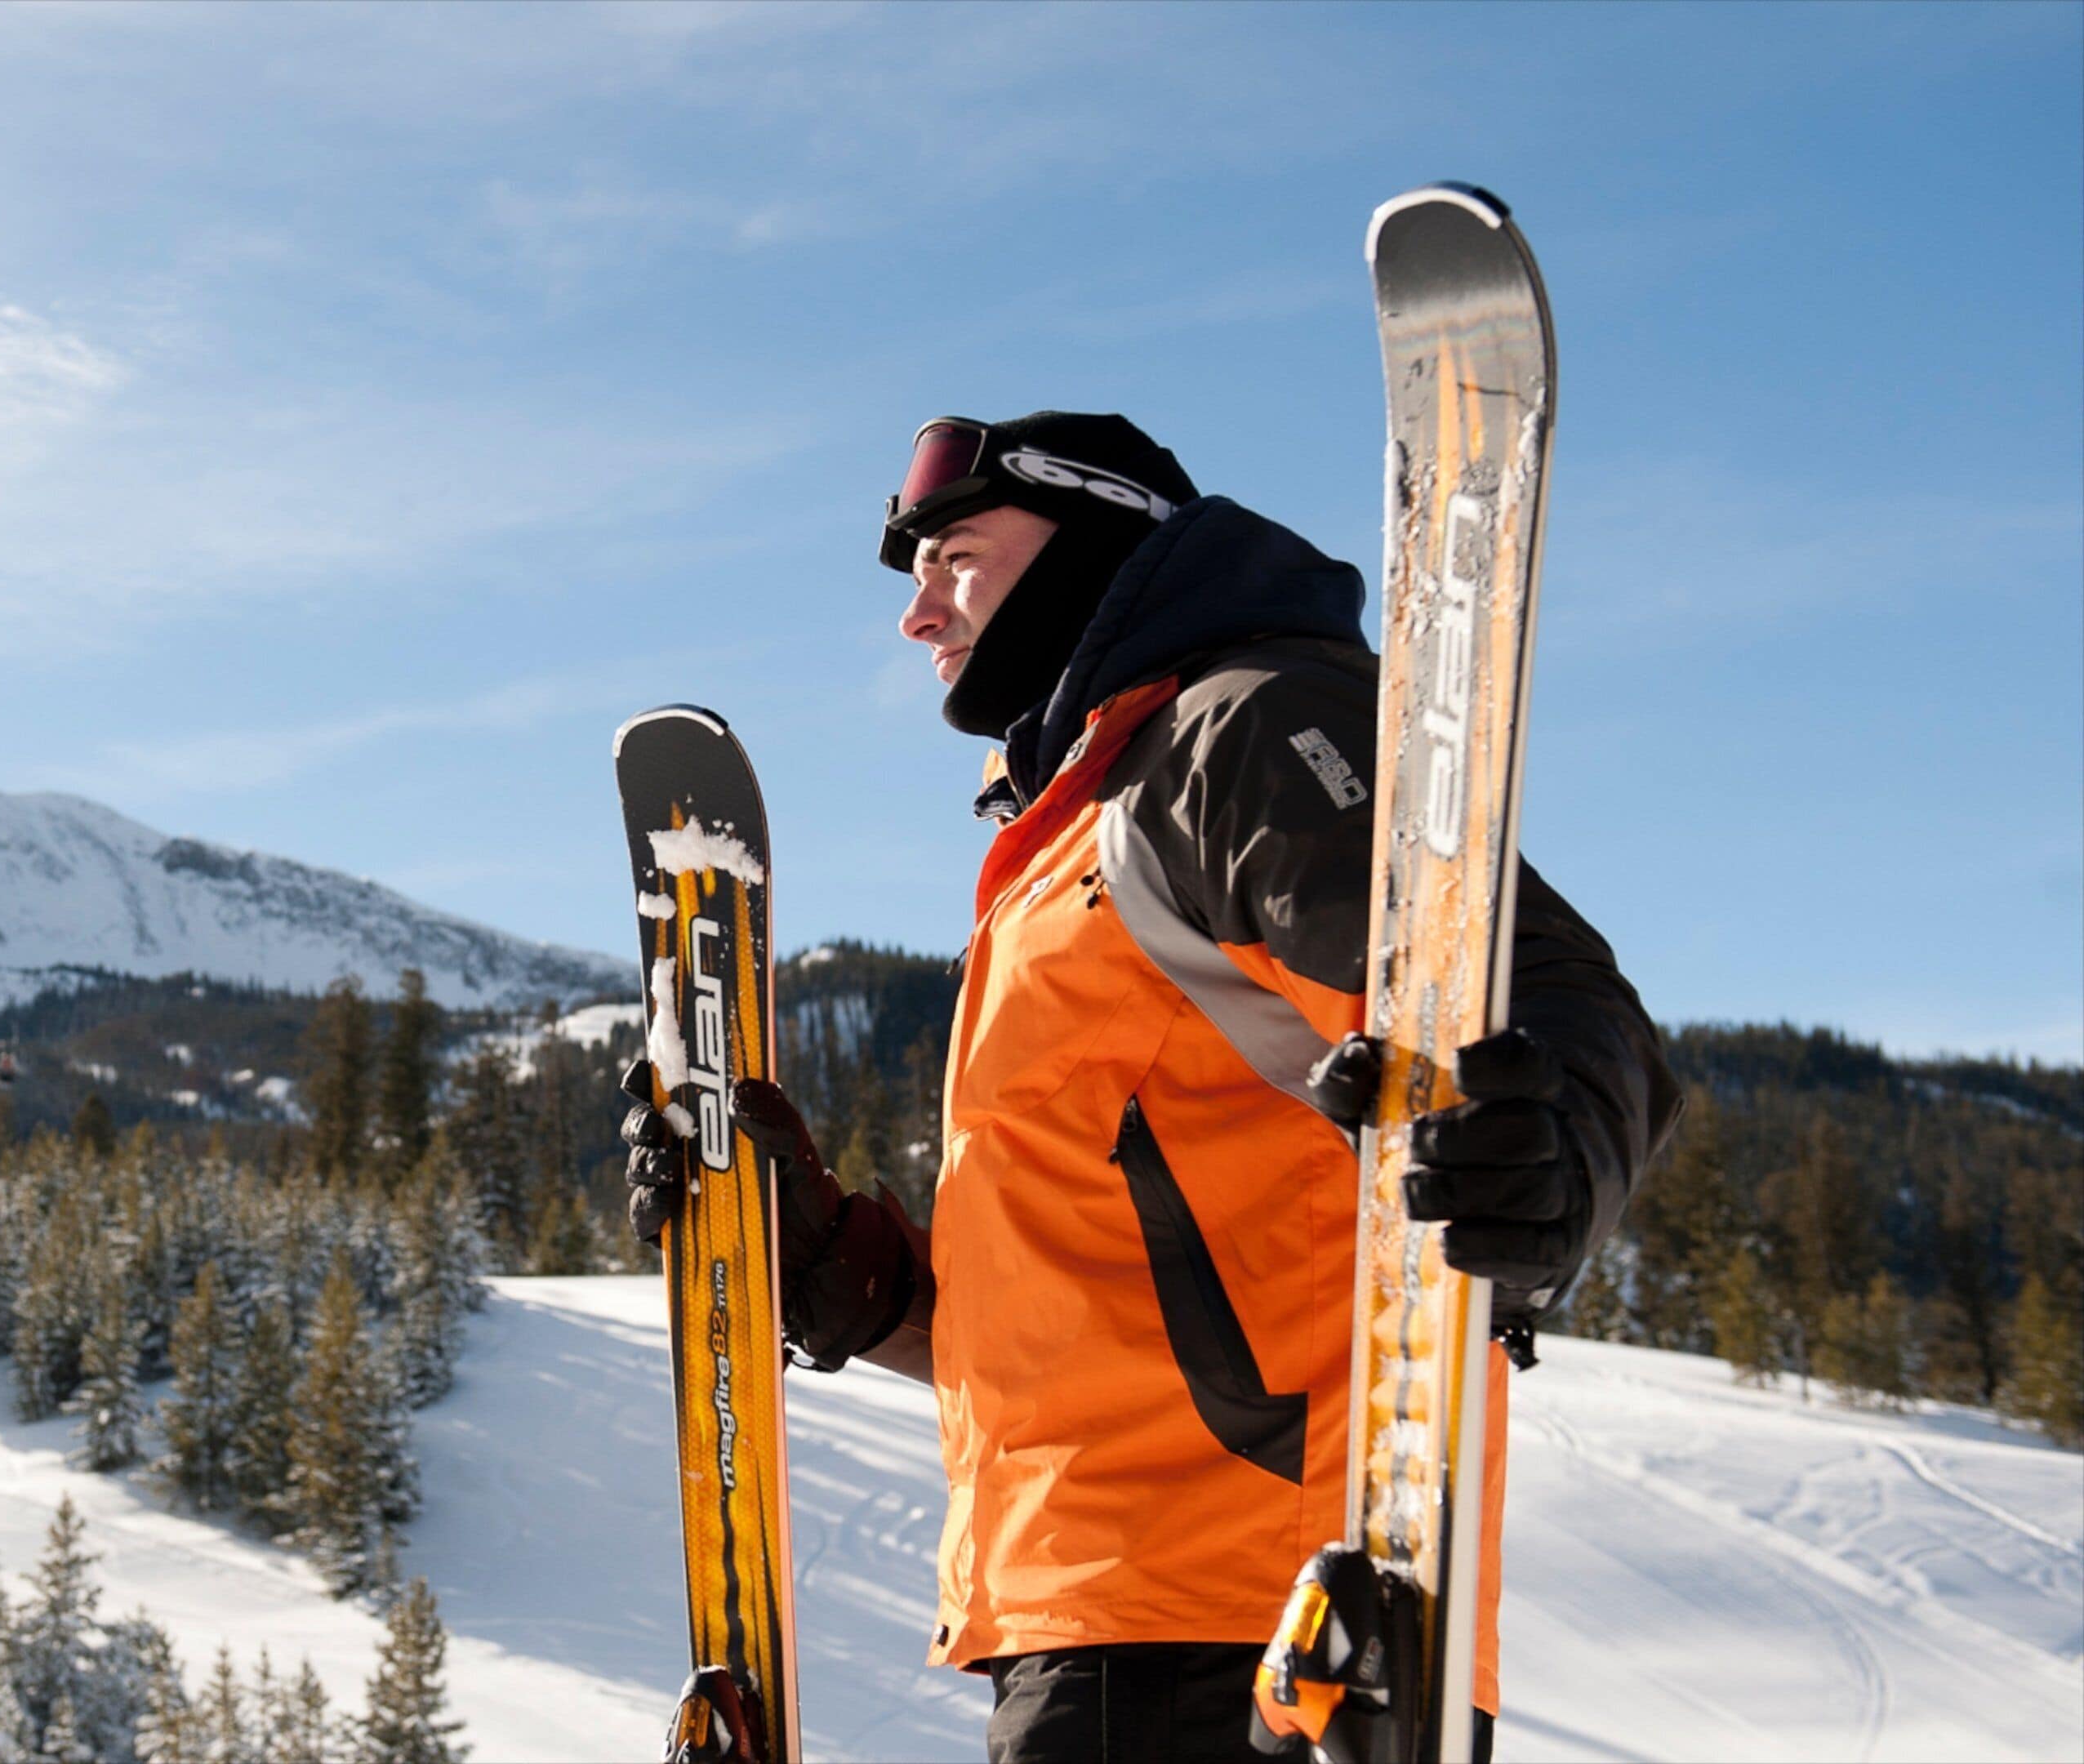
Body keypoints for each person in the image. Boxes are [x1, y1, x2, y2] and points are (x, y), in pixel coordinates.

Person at [621, 411, 1680, 1764]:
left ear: (1091, 541)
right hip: (1105, 1616)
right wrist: (836, 1269)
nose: (916, 613)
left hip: (1263, 1629)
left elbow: (1545, 1002)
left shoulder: (1233, 733)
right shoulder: (1067, 831)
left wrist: (1546, 1160)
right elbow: (1110, 1288)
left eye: (954, 555)